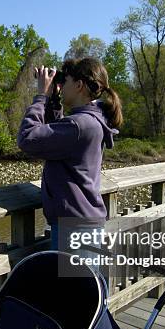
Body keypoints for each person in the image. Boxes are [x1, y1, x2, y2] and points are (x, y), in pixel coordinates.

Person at [16, 57, 122, 268]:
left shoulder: (79, 125)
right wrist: (54, 101)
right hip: (83, 223)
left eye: (66, 81)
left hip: (74, 226)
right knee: (86, 294)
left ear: (80, 85)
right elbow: (58, 138)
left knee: (76, 297)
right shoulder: (92, 120)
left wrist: (40, 98)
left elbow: (27, 139)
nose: (62, 86)